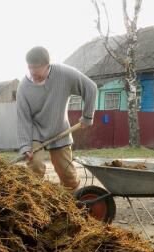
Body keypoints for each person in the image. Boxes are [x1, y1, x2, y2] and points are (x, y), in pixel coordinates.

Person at [16, 46, 97, 191]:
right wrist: (25, 146)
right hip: (35, 131)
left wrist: (87, 116)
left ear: (48, 65)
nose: (34, 77)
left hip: (59, 129)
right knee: (35, 166)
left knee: (68, 176)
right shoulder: (23, 87)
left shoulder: (63, 74)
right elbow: (23, 119)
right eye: (31, 71)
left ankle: (71, 204)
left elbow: (90, 87)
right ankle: (34, 203)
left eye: (39, 75)